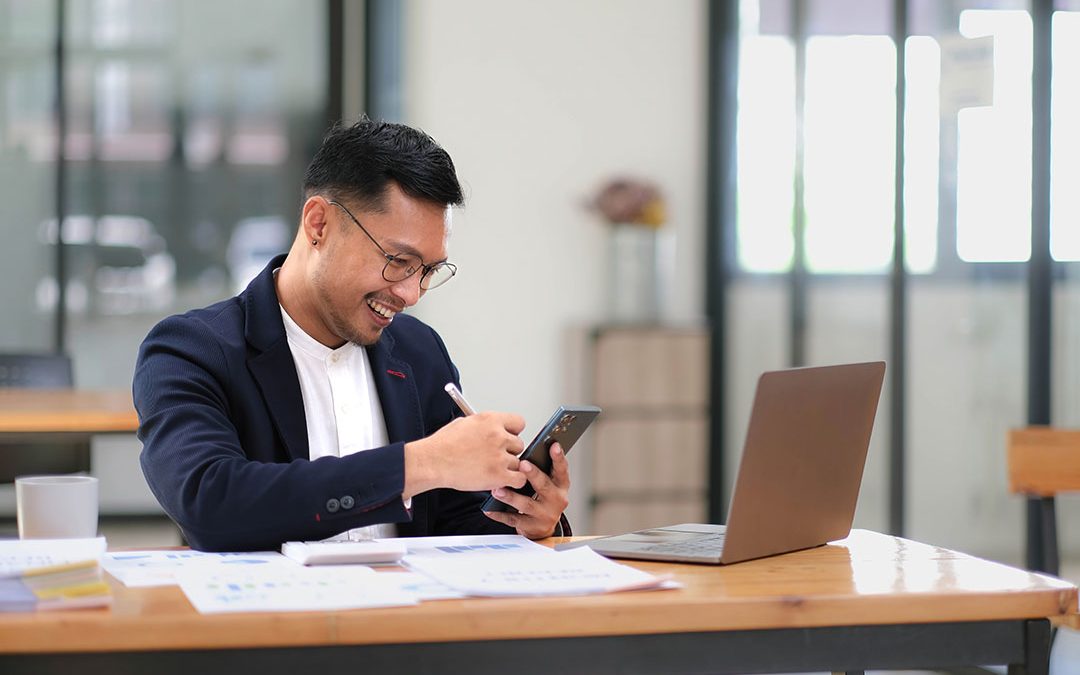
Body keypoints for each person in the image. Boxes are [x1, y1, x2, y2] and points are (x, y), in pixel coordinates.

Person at [133, 118, 571, 551]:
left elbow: (456, 521)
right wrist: (420, 464)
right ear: (319, 223)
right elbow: (210, 504)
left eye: (429, 271)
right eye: (399, 261)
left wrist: (527, 522)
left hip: (408, 618)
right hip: (272, 617)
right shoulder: (190, 351)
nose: (411, 293)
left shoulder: (419, 352)